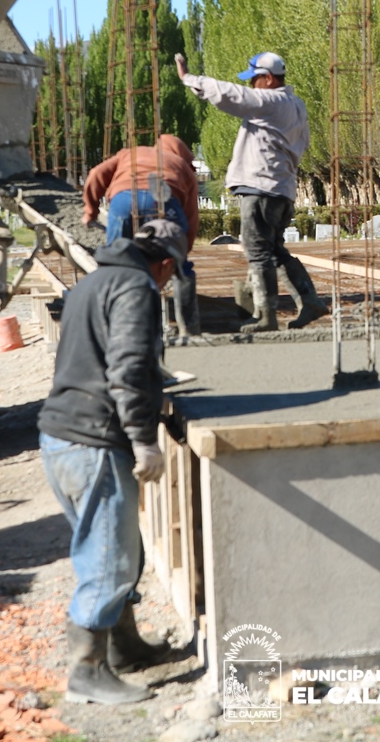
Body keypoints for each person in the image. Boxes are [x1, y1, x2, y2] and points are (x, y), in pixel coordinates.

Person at [38, 216, 187, 705]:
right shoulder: (137, 287)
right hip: (94, 441)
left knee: (119, 549)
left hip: (60, 436)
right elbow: (124, 368)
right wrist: (143, 440)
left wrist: (155, 377)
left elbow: (101, 354)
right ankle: (86, 672)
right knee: (108, 562)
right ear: (164, 265)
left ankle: (123, 649)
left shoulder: (94, 281)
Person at [175, 50, 328, 333]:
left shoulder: (269, 101)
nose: (251, 85)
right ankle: (309, 300)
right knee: (274, 249)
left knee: (257, 250)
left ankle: (265, 316)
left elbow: (231, 95)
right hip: (281, 188)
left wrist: (188, 78)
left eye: (255, 79)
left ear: (268, 79)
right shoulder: (296, 105)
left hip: (260, 187)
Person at [82, 135, 202, 334]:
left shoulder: (130, 154)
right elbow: (191, 216)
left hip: (125, 201)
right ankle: (189, 327)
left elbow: (96, 174)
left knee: (115, 263)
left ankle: (114, 324)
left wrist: (90, 211)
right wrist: (181, 253)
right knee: (180, 267)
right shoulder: (182, 165)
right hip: (165, 201)